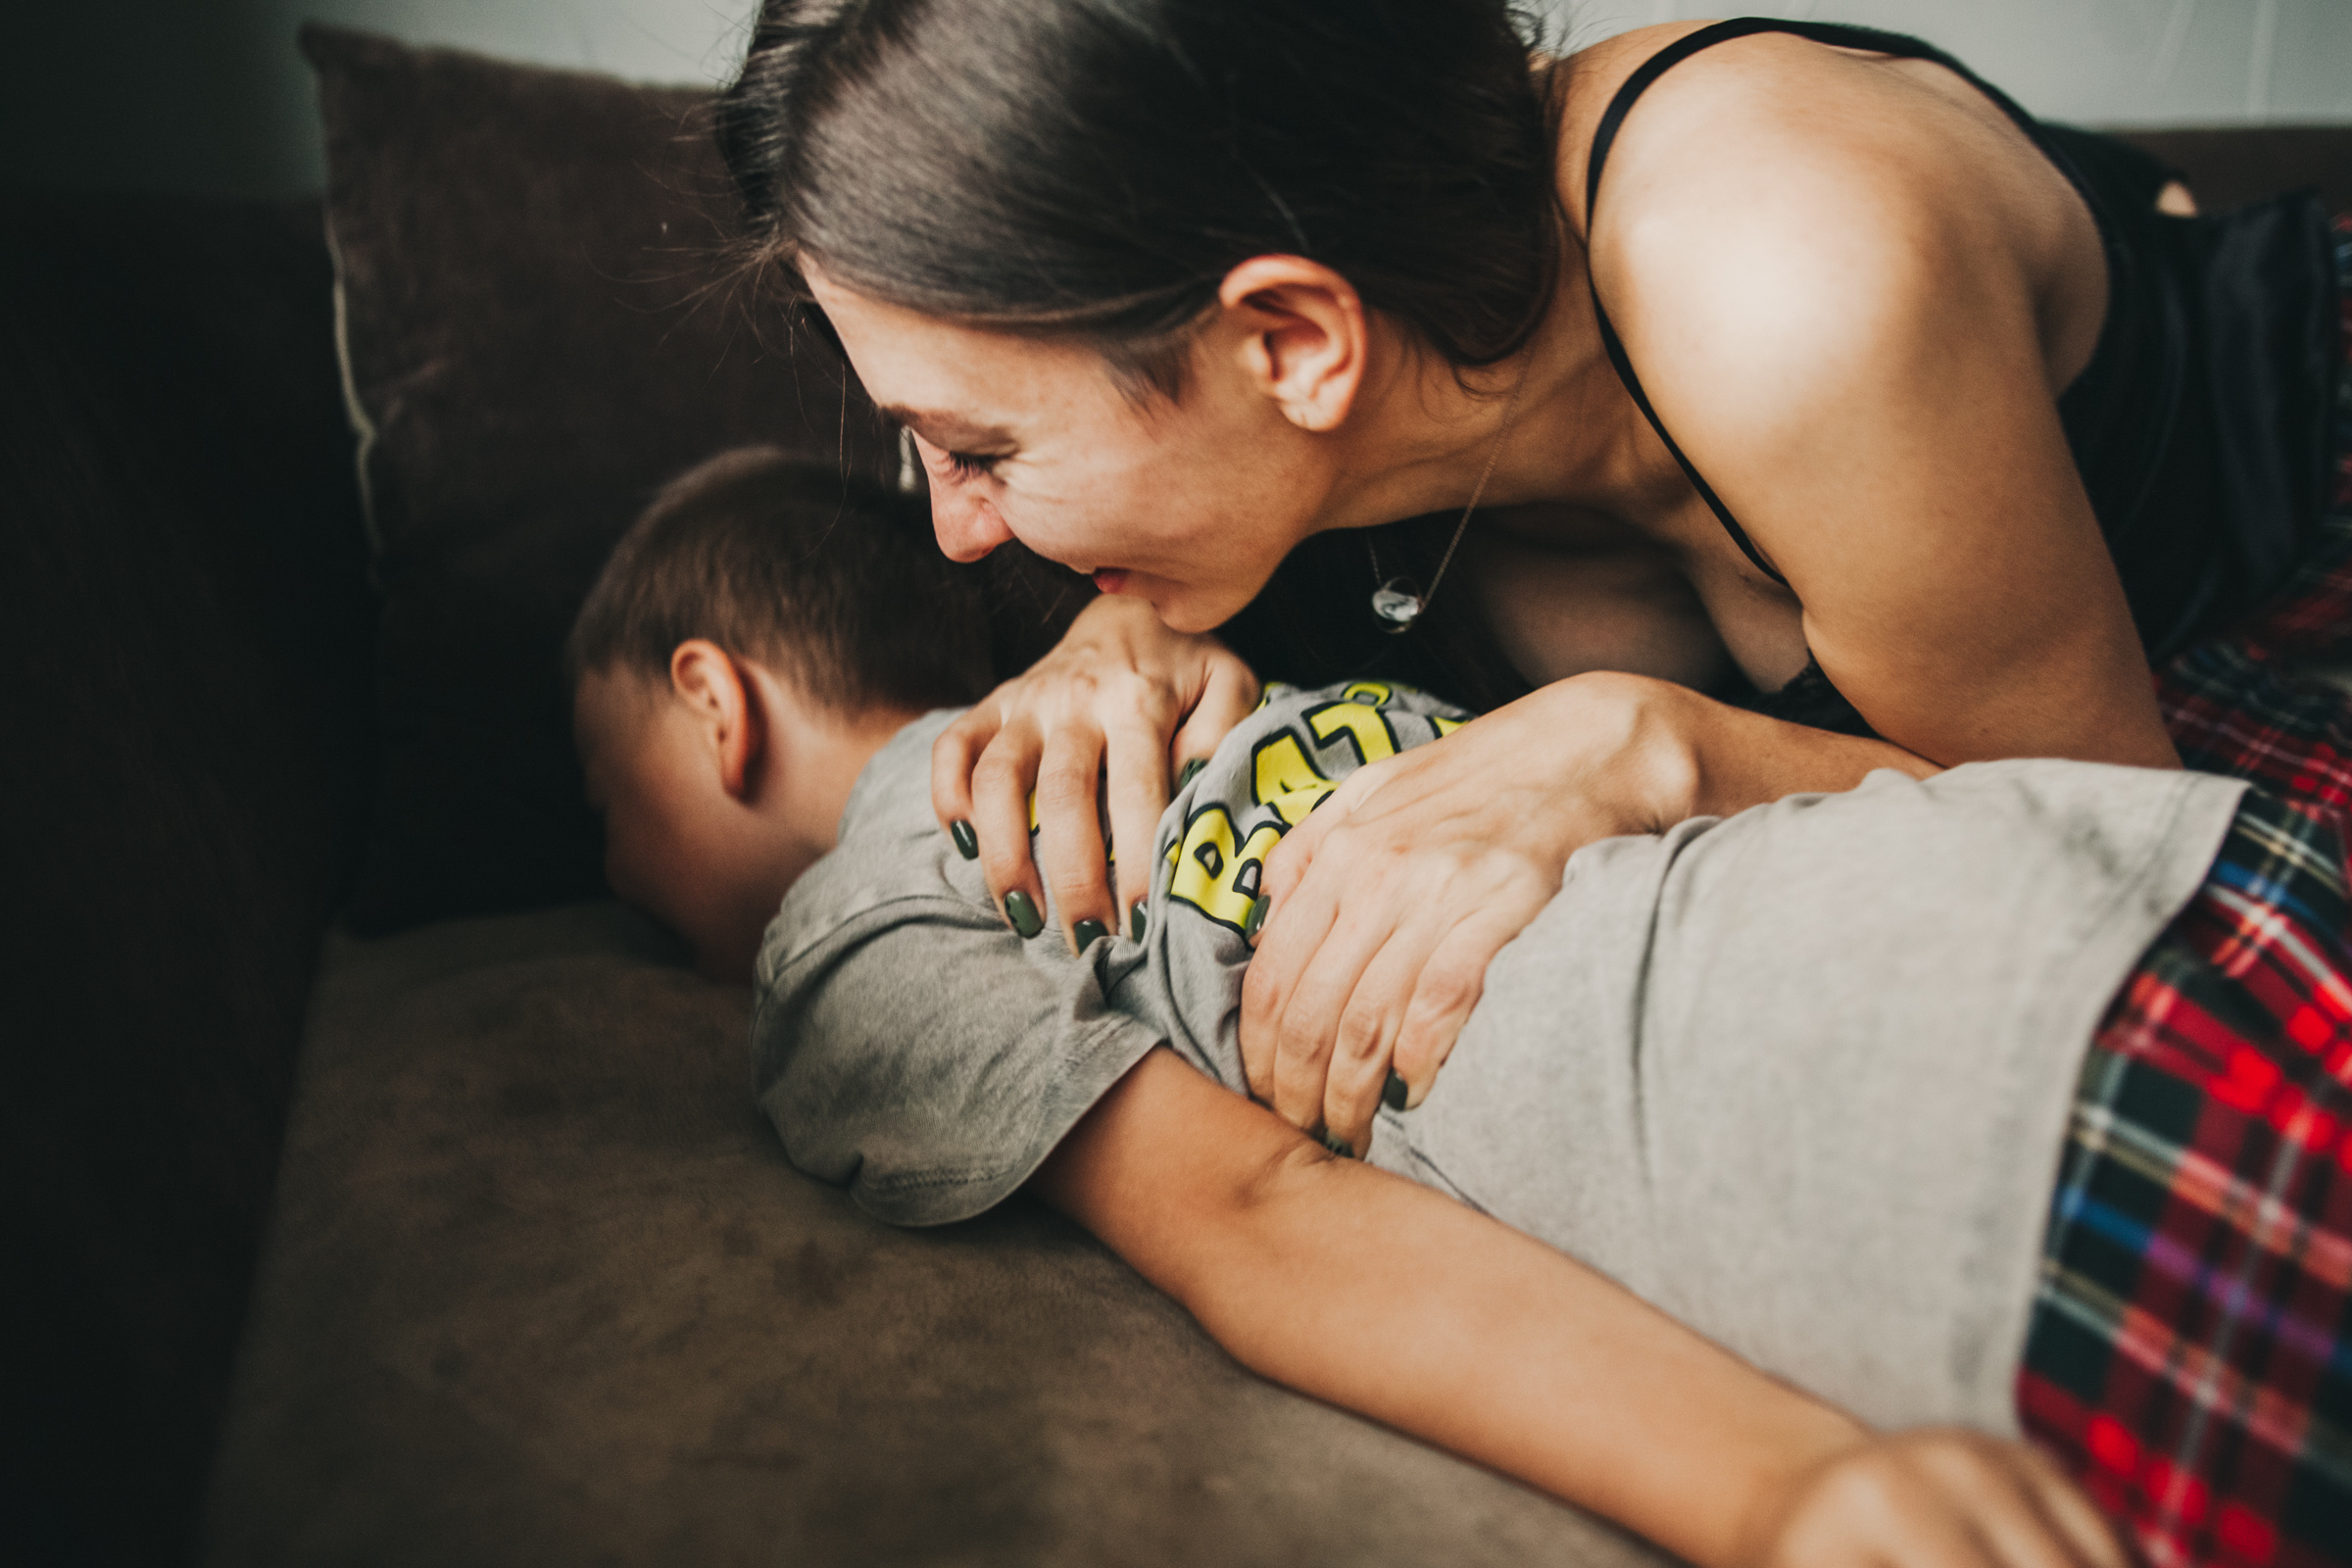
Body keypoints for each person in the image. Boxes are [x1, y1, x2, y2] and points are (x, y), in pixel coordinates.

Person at [568, 450, 2349, 1568]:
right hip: (2189, 873)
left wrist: (1781, 1493)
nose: (618, 884)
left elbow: (1257, 1217)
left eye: (601, 806)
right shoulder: (1241, 676)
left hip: (1992, 1139)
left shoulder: (838, 947)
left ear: (709, 704)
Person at [712, 2, 2349, 1165]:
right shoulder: (1339, 383)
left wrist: (1658, 745)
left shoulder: (1783, 271)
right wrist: (1123, 622)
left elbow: (2109, 834)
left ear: (1292, 340)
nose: (954, 531)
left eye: (981, 449)